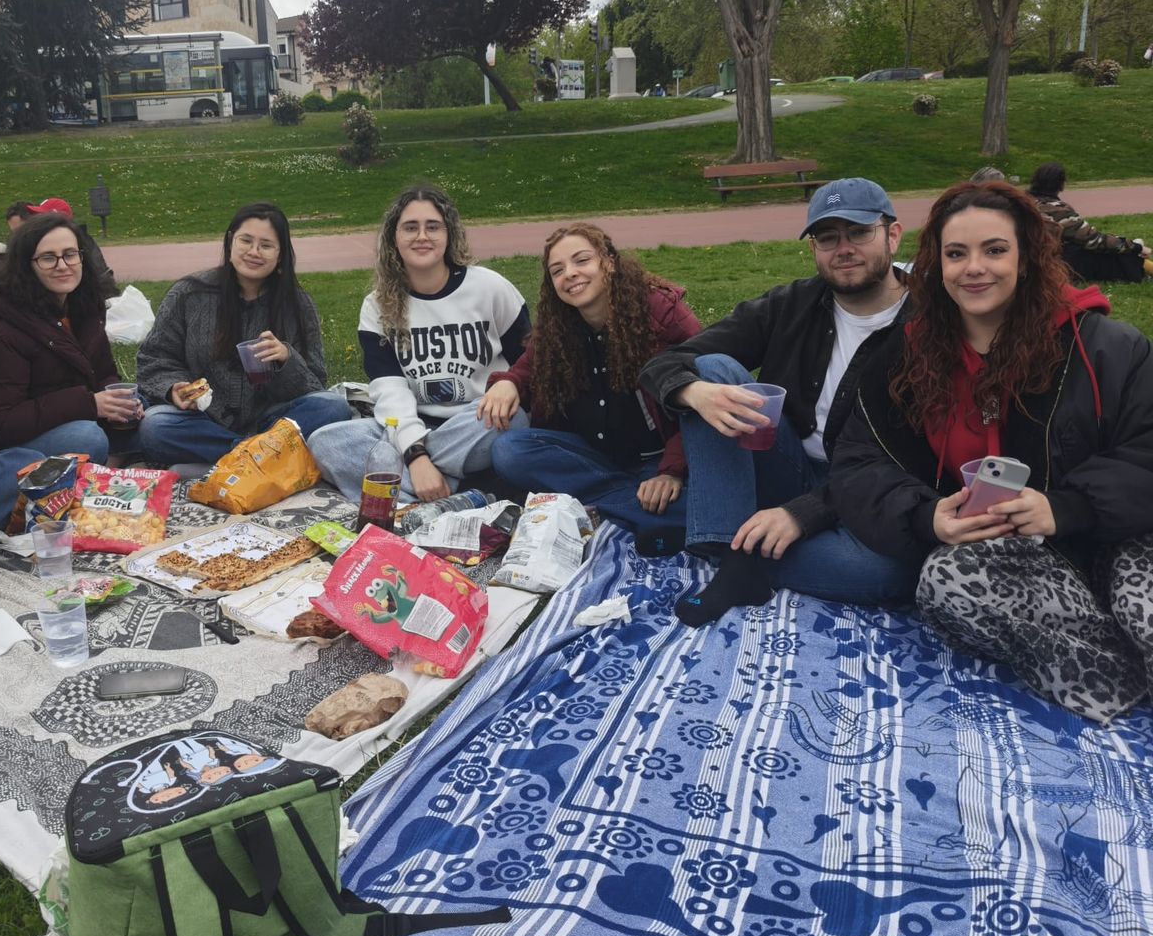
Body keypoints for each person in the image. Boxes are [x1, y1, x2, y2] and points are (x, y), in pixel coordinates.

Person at [830, 181, 1153, 723]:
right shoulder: (903, 357)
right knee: (945, 580)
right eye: (956, 254)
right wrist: (925, 516)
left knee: (1142, 607)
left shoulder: (1105, 346)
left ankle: (1124, 642)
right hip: (1008, 559)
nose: (973, 268)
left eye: (995, 250)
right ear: (937, 264)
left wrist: (1066, 507)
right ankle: (1117, 678)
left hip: (1117, 533)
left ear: (1026, 258)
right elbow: (859, 461)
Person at [639, 177, 920, 624]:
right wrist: (696, 392)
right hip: (785, 464)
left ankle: (723, 544)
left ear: (893, 234)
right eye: (828, 237)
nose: (843, 248)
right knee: (711, 370)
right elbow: (665, 364)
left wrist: (806, 513)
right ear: (813, 249)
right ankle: (733, 550)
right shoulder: (791, 305)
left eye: (859, 232)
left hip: (869, 489)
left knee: (890, 572)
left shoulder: (927, 323)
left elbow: (913, 461)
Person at [308, 185, 530, 502]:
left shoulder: (491, 288)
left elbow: (530, 361)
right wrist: (415, 452)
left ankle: (404, 487)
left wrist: (510, 385)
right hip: (414, 423)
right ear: (393, 239)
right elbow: (390, 391)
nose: (422, 236)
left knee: (516, 419)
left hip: (478, 422)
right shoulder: (378, 305)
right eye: (410, 227)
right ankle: (453, 489)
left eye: (433, 227)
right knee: (325, 441)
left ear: (449, 234)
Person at [487, 224, 702, 547]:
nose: (570, 274)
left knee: (689, 509)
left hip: (656, 458)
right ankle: (629, 507)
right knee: (509, 451)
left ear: (609, 262)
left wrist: (672, 471)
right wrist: (508, 384)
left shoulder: (662, 315)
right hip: (591, 458)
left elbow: (705, 395)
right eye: (557, 270)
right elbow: (524, 370)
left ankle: (599, 507)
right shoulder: (558, 326)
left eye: (581, 261)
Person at [136, 203, 352, 468]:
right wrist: (174, 388)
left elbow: (316, 383)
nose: (254, 252)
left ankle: (231, 459)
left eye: (266, 245)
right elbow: (154, 358)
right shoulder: (189, 294)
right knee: (155, 426)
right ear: (230, 242)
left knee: (333, 407)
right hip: (204, 421)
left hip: (272, 420)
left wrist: (287, 361)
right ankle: (259, 458)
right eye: (246, 241)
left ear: (281, 254)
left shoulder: (297, 304)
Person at [0, 214, 141, 531]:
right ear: (26, 265)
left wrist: (114, 397)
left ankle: (107, 471)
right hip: (11, 446)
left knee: (143, 412)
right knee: (88, 438)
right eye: (48, 258)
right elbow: (1, 422)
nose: (63, 265)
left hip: (69, 417)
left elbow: (102, 372)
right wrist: (90, 404)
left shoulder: (83, 306)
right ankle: (73, 492)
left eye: (70, 254)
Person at [1028, 162, 1151, 283]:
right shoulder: (1057, 211)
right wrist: (1135, 247)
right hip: (1052, 265)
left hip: (1027, 261)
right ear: (1061, 184)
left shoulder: (1023, 202)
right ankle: (1145, 268)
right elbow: (1094, 240)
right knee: (1114, 254)